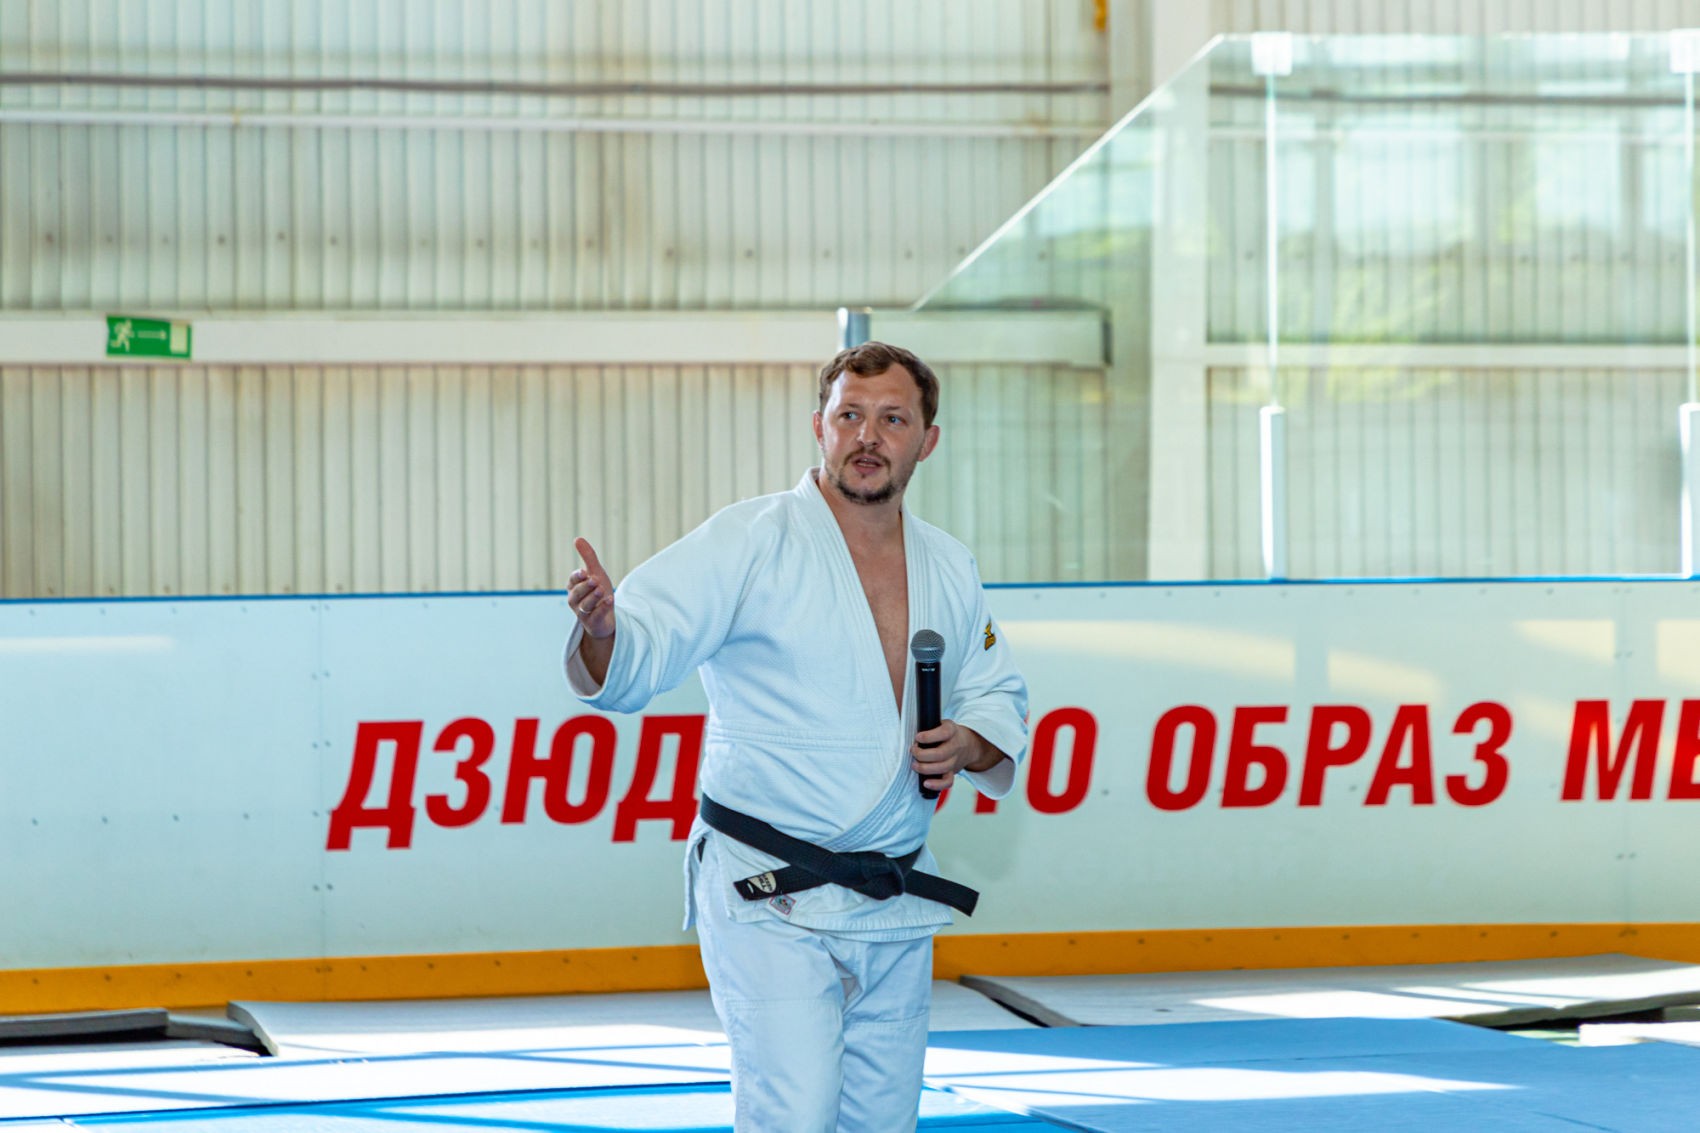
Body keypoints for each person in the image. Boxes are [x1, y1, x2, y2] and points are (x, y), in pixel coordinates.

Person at [563, 341, 1028, 1132]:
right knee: (795, 1115)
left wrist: (969, 743)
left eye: (892, 419)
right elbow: (645, 642)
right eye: (850, 415)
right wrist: (605, 630)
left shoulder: (950, 565)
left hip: (893, 897)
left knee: (884, 1123)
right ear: (820, 427)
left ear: (927, 440)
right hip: (767, 892)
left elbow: (996, 695)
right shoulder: (750, 540)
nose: (867, 436)